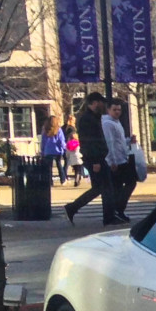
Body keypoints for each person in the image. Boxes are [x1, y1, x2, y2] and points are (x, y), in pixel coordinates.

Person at [63, 92, 115, 226]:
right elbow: (90, 141)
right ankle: (108, 217)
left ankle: (73, 207)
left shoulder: (94, 118)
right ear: (95, 103)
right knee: (105, 188)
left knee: (100, 188)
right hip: (95, 158)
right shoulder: (87, 119)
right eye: (101, 102)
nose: (104, 105)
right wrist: (96, 160)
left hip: (97, 157)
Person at [101, 99, 132, 223]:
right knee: (124, 184)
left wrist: (129, 141)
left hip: (122, 158)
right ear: (108, 110)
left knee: (123, 185)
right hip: (116, 160)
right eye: (114, 109)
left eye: (119, 110)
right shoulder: (108, 123)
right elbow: (110, 143)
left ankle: (119, 210)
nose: (117, 112)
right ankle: (117, 210)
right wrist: (112, 160)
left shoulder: (117, 122)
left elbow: (119, 141)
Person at [39, 116, 67, 184]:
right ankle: (63, 180)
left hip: (48, 151)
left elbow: (43, 142)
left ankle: (50, 181)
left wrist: (42, 151)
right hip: (57, 151)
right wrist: (64, 148)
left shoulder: (45, 130)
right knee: (59, 165)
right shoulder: (58, 130)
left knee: (49, 167)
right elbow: (61, 140)